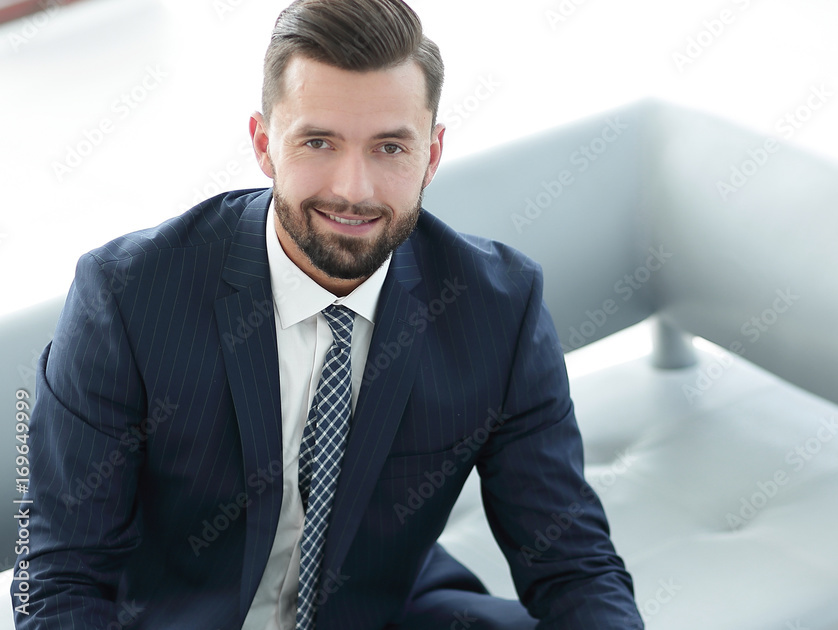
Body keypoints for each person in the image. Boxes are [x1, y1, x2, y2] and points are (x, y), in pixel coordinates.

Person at [16, 0, 643, 628]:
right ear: (264, 144)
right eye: (318, 142)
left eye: (390, 148)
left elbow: (572, 564)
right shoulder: (127, 298)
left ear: (432, 152)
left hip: (388, 611)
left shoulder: (497, 310)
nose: (354, 189)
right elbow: (62, 575)